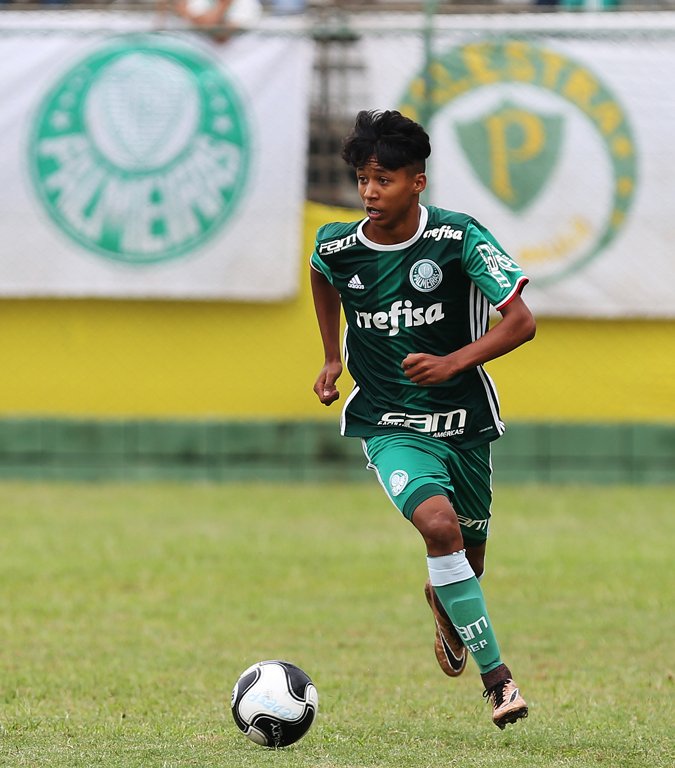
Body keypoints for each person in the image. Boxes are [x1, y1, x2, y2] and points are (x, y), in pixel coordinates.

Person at [310, 109, 536, 729]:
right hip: (389, 424)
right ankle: (500, 684)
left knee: (470, 556)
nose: (369, 192)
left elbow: (522, 321)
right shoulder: (338, 245)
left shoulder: (459, 239)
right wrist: (333, 357)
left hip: (463, 424)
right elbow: (322, 275)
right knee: (440, 529)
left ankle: (444, 603)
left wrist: (452, 362)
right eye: (362, 179)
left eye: (384, 179)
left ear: (418, 182)